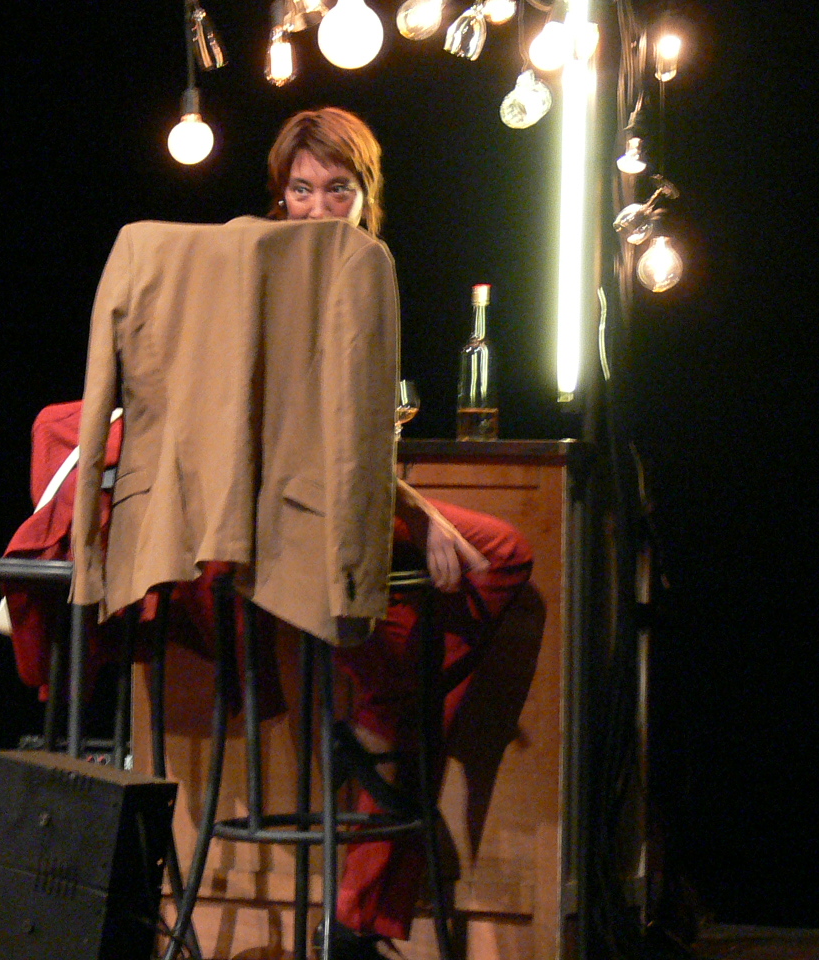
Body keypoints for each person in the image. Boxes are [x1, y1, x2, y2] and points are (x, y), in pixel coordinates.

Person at [266, 106, 534, 958]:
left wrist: (411, 506)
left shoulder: (360, 277)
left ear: (366, 198)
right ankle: (381, 749)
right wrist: (421, 514)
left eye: (336, 191)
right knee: (484, 563)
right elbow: (311, 438)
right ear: (279, 199)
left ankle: (384, 729)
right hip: (292, 518)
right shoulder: (274, 280)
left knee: (498, 557)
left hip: (346, 501)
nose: (317, 208)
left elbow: (354, 436)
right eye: (300, 191)